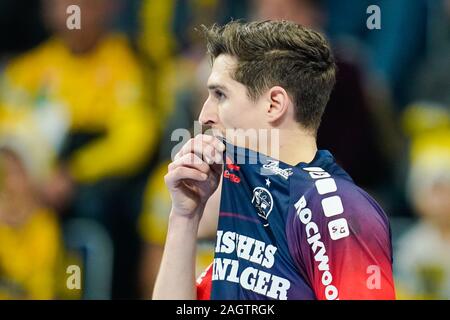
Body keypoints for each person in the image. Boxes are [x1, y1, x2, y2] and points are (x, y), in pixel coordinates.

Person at [153, 20, 396, 300]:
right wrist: (184, 218)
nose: (204, 116)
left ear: (274, 104)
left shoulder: (339, 209)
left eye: (220, 95)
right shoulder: (243, 191)